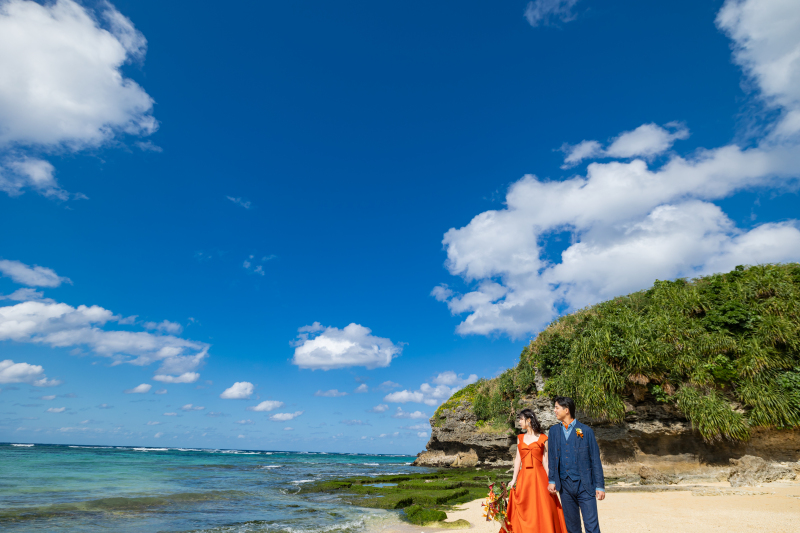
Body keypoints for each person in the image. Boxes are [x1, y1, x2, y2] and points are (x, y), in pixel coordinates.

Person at [502, 408, 567, 533]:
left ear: (529, 420)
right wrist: (513, 479)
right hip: (524, 478)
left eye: (521, 419)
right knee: (525, 508)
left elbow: (546, 461)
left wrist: (551, 481)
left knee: (543, 507)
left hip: (540, 477)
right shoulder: (520, 438)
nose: (519, 422)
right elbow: (517, 460)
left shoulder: (544, 438)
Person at [546, 396, 605, 533]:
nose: (554, 410)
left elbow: (595, 459)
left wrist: (600, 486)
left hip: (585, 485)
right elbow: (552, 458)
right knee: (572, 528)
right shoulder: (554, 431)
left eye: (557, 408)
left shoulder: (586, 431)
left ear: (566, 410)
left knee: (592, 526)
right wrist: (552, 480)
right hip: (565, 487)